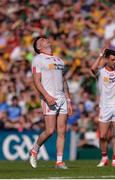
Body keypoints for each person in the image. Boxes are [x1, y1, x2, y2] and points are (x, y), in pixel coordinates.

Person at [29, 36, 72, 169]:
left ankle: (59, 161)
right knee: (49, 131)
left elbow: (64, 81)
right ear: (38, 47)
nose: (45, 40)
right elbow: (36, 81)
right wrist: (46, 96)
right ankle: (35, 149)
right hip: (49, 98)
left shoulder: (59, 60)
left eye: (45, 38)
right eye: (41, 40)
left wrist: (68, 100)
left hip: (62, 98)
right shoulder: (37, 59)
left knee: (62, 131)